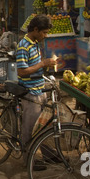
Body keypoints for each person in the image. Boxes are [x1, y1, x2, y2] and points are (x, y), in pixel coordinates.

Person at [16, 15, 57, 157]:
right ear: (35, 29)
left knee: (42, 125)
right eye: (44, 32)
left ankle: (46, 153)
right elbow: (22, 71)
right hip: (30, 92)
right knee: (30, 127)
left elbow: (35, 67)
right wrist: (43, 64)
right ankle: (28, 158)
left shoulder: (35, 44)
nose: (45, 36)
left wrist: (47, 66)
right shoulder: (23, 46)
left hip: (40, 89)